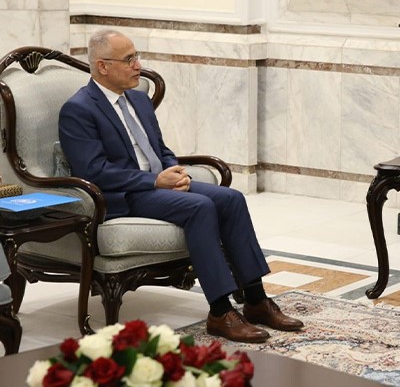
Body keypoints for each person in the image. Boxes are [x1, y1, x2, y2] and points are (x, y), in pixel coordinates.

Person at [58, 29, 303, 344]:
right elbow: (94, 171)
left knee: (231, 199)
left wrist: (173, 170)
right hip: (123, 195)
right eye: (129, 59)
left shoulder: (139, 99)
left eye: (136, 56)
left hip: (158, 184)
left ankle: (256, 300)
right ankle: (220, 312)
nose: (138, 65)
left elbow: (160, 148)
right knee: (200, 206)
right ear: (103, 66)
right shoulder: (79, 109)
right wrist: (154, 180)